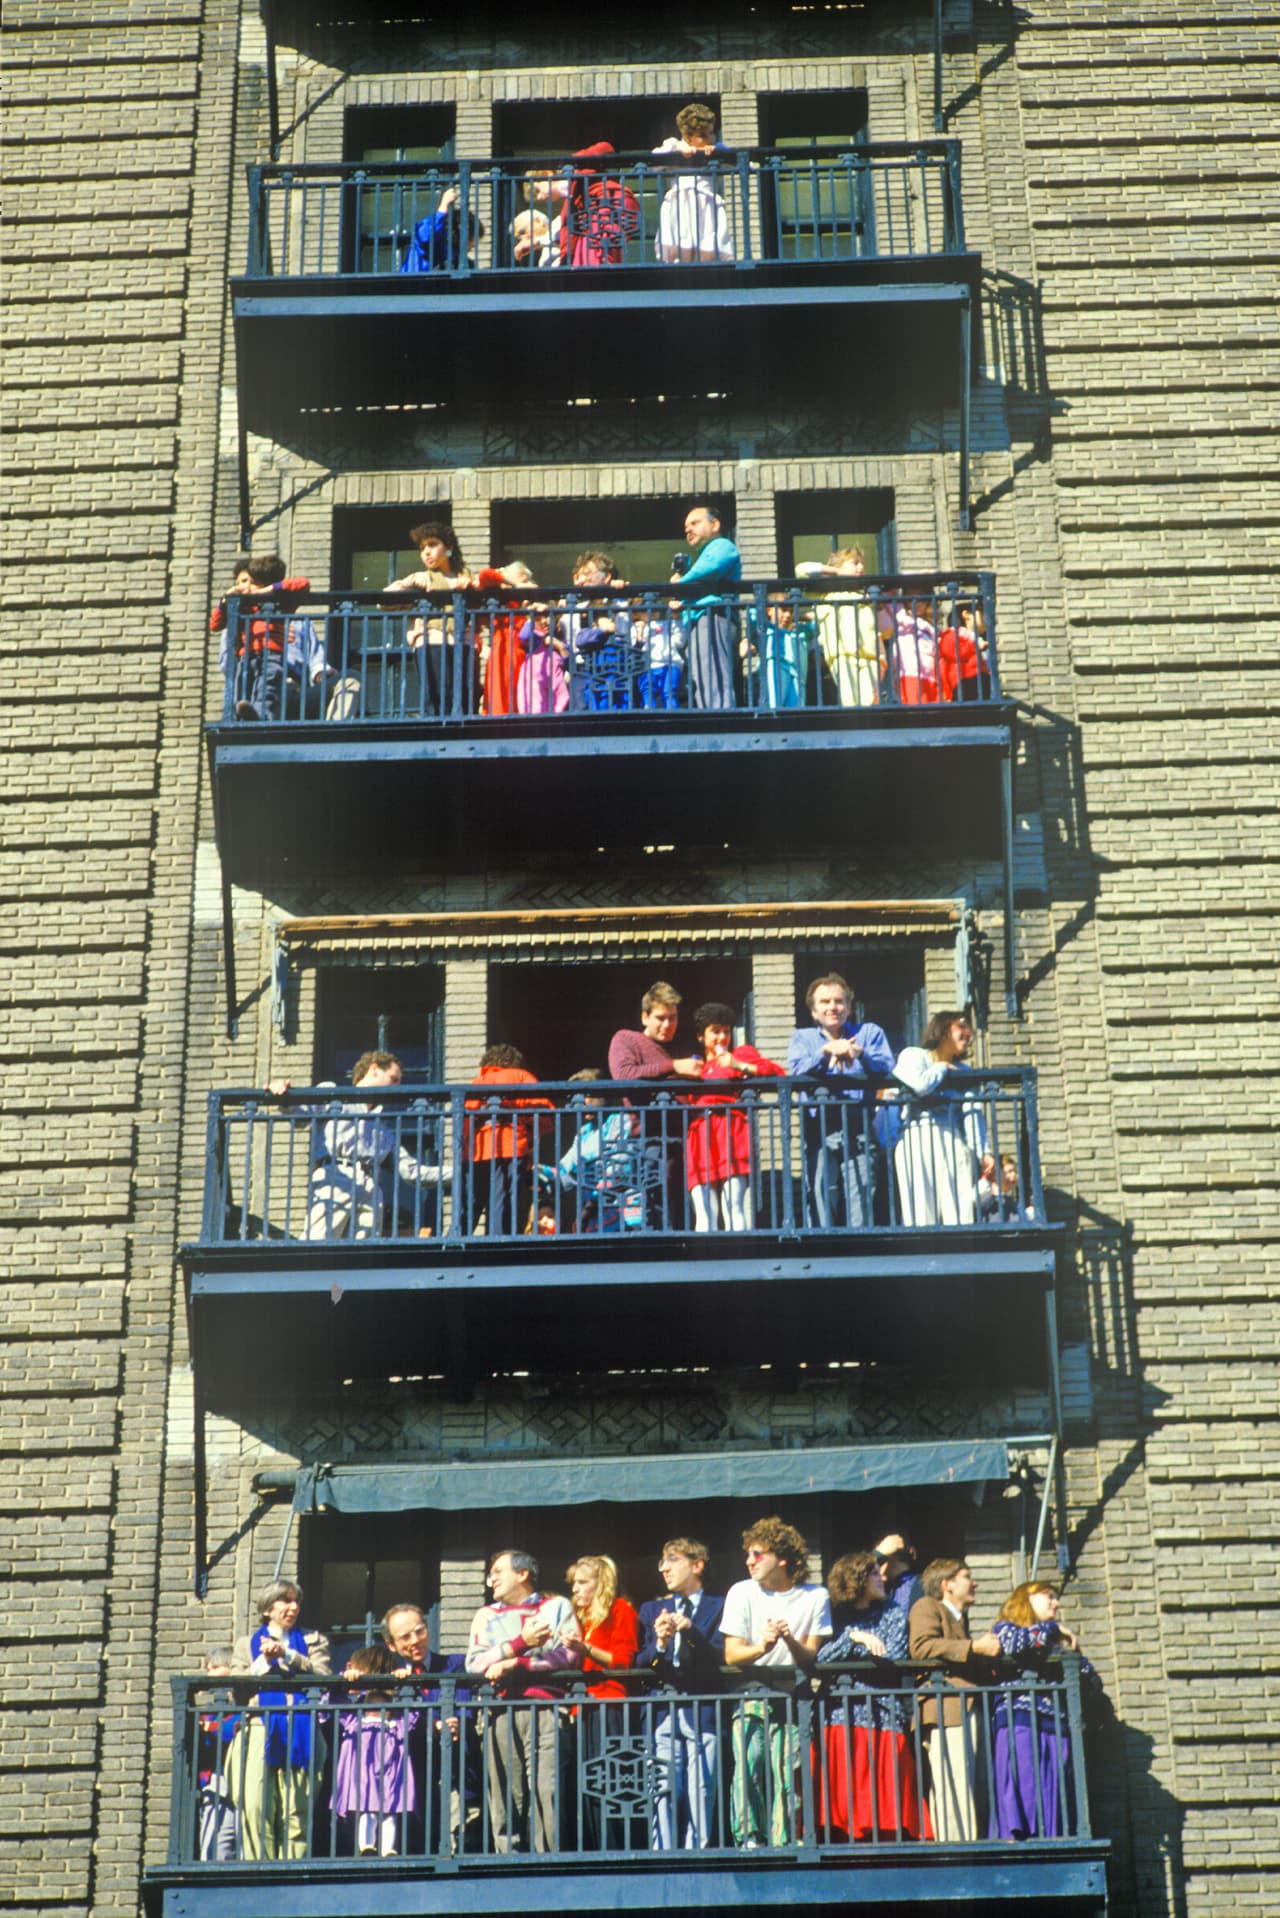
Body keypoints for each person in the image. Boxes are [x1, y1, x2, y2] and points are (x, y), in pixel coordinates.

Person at [722, 1515, 831, 1848]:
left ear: (781, 1558)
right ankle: (750, 1837)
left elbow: (810, 1654)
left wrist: (788, 1640)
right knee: (750, 1763)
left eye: (758, 1554)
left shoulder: (815, 1596)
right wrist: (763, 1647)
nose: (749, 1561)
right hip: (752, 1689)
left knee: (788, 1772)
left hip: (794, 1691)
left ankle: (785, 1838)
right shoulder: (741, 1592)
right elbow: (731, 1654)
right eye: (748, 1554)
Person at [465, 1549, 580, 1853]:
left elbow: (568, 1656)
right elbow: (475, 1664)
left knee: (547, 1787)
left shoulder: (556, 1607)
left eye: (497, 1572)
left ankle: (550, 1857)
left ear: (523, 1574)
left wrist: (516, 1663)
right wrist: (521, 1644)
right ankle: (510, 1858)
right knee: (505, 1791)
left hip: (546, 1709)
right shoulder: (486, 1615)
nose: (491, 1580)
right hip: (500, 1711)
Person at [267, 1050, 445, 1241]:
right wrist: (282, 1096)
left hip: (370, 1186)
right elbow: (300, 1113)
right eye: (393, 1079)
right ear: (374, 1069)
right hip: (336, 1175)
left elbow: (412, 1172)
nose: (397, 1087)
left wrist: (459, 1172)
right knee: (316, 1244)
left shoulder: (383, 1130)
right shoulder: (334, 1094)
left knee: (364, 1253)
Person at [815, 1551, 931, 1843]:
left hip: (882, 1711)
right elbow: (821, 1657)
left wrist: (853, 1653)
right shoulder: (835, 1614)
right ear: (857, 1578)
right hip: (839, 1714)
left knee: (886, 1798)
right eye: (874, 1573)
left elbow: (893, 1654)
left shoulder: (891, 1611)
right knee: (844, 1796)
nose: (883, 1577)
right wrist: (854, 1638)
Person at [989, 1581, 1100, 1840]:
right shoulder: (1005, 1627)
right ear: (1026, 1599)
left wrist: (1076, 1654)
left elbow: (1092, 1681)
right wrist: (1052, 1628)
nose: (1056, 1603)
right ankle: (1021, 1842)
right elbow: (1017, 1644)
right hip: (1021, 1722)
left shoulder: (1056, 1642)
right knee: (1025, 1787)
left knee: (1056, 1792)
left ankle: (1052, 1839)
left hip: (1057, 1726)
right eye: (1049, 1596)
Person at [230, 1580, 330, 1861]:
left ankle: (292, 1868)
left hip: (301, 1729)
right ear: (267, 1608)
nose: (294, 1607)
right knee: (254, 1803)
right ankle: (258, 1869)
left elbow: (323, 1675)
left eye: (296, 1601)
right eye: (286, 1601)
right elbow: (236, 1688)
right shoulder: (246, 1645)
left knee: (297, 1809)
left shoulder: (313, 1640)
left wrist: (287, 1655)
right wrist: (263, 1660)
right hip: (259, 1728)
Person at [636, 1537, 726, 1851]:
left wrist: (690, 1632)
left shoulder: (721, 1605)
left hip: (701, 1709)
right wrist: (660, 1644)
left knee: (702, 1786)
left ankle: (697, 1851)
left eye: (672, 1559)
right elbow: (639, 1662)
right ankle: (662, 1851)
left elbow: (720, 1655)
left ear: (697, 1565)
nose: (664, 1567)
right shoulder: (650, 1610)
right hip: (662, 1709)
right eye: (662, 1561)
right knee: (661, 1786)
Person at [787, 973, 895, 1230]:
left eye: (839, 1001)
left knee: (861, 1202)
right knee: (822, 1197)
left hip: (858, 1128)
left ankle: (859, 1258)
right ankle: (824, 1255)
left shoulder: (869, 1033)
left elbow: (888, 1068)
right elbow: (795, 1072)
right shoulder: (803, 1038)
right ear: (814, 1012)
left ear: (849, 1007)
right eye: (824, 1002)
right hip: (818, 1132)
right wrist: (825, 1052)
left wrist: (860, 1053)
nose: (832, 1007)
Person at [908, 1558, 1002, 1843]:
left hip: (964, 1706)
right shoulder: (927, 1606)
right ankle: (957, 1847)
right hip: (946, 1709)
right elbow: (921, 1646)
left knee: (968, 1783)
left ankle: (967, 1842)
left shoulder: (960, 1619)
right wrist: (974, 1647)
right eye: (967, 1577)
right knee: (954, 1782)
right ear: (947, 1584)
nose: (975, 1583)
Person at [607, 981, 702, 1230]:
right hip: (651, 1142)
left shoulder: (679, 1049)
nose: (667, 1025)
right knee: (657, 1211)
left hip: (687, 1141)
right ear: (644, 1017)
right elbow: (624, 1075)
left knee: (685, 1213)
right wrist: (674, 1067)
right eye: (660, 1018)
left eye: (673, 1018)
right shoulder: (626, 1039)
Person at [562, 1555, 640, 1849]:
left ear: (601, 1583)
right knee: (583, 1779)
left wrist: (585, 1648)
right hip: (582, 1706)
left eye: (583, 1583)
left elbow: (622, 1662)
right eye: (574, 1584)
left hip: (609, 1703)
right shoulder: (582, 1619)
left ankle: (613, 1845)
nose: (576, 1590)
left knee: (607, 1776)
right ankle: (590, 1843)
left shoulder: (621, 1610)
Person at [684, 1001, 784, 1232]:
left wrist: (739, 1065)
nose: (722, 1037)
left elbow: (776, 1073)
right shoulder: (694, 1065)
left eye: (726, 1031)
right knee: (704, 1211)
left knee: (734, 1205)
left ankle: (738, 1254)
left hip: (732, 1131)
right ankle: (705, 1263)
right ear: (701, 1036)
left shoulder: (741, 1054)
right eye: (715, 1031)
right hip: (700, 1135)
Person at [382, 1603, 473, 1854]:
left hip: (454, 1765)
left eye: (420, 1631)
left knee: (456, 1839)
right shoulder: (394, 1678)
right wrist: (431, 1723)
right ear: (392, 1645)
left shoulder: (454, 1664)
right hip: (411, 1770)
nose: (415, 1640)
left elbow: (464, 1708)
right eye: (405, 1637)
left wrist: (456, 1720)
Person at [893, 1011, 987, 1227]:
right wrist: (941, 1068)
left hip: (953, 1137)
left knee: (959, 1213)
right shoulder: (913, 1056)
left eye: (968, 1028)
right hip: (918, 1134)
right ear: (943, 1030)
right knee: (920, 1213)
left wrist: (983, 1152)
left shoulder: (965, 1071)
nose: (968, 1033)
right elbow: (919, 1085)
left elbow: (972, 1113)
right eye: (961, 1027)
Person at [332, 1642, 417, 1857]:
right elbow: (335, 1700)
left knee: (390, 1808)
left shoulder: (396, 1716)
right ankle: (367, 1846)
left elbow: (414, 1711)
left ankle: (389, 1849)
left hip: (391, 1763)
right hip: (363, 1766)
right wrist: (346, 1678)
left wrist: (405, 1682)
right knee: (366, 1807)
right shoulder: (356, 1715)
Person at [384, 521, 476, 718]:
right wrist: (408, 583)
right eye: (422, 548)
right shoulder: (421, 578)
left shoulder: (466, 577)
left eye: (432, 545)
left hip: (464, 643)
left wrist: (472, 589)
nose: (426, 552)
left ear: (449, 548)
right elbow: (383, 601)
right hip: (432, 641)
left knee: (467, 698)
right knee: (438, 696)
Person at [210, 553, 311, 721]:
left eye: (249, 581)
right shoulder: (242, 605)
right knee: (243, 689)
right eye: (240, 583)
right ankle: (245, 719)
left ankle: (262, 718)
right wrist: (226, 600)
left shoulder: (278, 601)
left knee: (267, 689)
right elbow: (215, 625)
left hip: (272, 654)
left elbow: (302, 584)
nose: (245, 587)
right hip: (246, 655)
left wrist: (268, 590)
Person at [465, 1045, 550, 1237]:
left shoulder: (477, 1082)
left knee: (472, 1201)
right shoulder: (520, 1076)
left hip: (477, 1149)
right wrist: (528, 1133)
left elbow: (465, 1120)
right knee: (502, 1199)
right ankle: (499, 1243)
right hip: (509, 1145)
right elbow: (543, 1116)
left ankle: (457, 1244)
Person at [540, 1068, 637, 1234]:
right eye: (575, 1098)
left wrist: (588, 1209)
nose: (581, 1102)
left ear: (601, 1094)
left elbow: (620, 1170)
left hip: (625, 1217)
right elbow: (566, 1169)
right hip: (595, 1221)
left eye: (585, 1096)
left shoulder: (621, 1121)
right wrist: (541, 1175)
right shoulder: (584, 1133)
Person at [669, 505, 742, 711]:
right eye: (685, 527)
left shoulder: (722, 545)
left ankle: (721, 720)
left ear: (715, 524)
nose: (688, 530)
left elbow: (711, 567)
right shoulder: (703, 555)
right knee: (702, 676)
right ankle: (711, 715)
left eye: (694, 523)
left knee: (713, 675)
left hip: (713, 617)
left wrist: (680, 584)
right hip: (701, 619)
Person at [796, 548, 885, 709]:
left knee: (871, 701)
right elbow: (802, 570)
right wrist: (837, 572)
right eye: (855, 563)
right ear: (840, 565)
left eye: (862, 564)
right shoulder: (827, 594)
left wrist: (883, 659)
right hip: (842, 655)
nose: (861, 567)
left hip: (871, 656)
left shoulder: (863, 595)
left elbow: (878, 630)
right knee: (850, 700)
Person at [524, 145, 640, 267]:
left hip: (609, 203)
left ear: (546, 174)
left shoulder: (576, 170)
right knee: (587, 252)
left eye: (537, 191)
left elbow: (606, 147)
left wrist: (572, 162)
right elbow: (566, 240)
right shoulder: (569, 205)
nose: (540, 198)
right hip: (609, 211)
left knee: (594, 255)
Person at [652, 102, 735, 263]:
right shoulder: (675, 145)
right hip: (681, 203)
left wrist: (717, 153)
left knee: (707, 246)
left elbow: (741, 162)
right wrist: (677, 149)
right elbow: (654, 162)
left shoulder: (716, 148)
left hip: (707, 203)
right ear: (688, 136)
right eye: (703, 136)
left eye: (712, 133)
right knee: (681, 244)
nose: (710, 138)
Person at [474, 559, 537, 715]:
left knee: (521, 695)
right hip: (501, 650)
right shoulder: (503, 597)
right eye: (522, 578)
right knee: (498, 694)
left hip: (521, 653)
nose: (525, 582)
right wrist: (510, 582)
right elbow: (484, 575)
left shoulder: (525, 600)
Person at [196, 1648, 240, 1861]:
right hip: (216, 1783)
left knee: (243, 1847)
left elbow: (232, 1731)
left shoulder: (243, 1704)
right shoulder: (209, 1709)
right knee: (216, 1847)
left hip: (240, 1780)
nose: (209, 1673)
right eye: (208, 1668)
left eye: (215, 1667)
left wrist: (209, 1728)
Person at [744, 591, 814, 711]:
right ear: (769, 610)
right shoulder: (766, 629)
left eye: (791, 611)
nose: (787, 615)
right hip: (775, 668)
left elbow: (817, 624)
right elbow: (753, 616)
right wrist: (763, 602)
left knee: (796, 714)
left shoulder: (800, 633)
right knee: (773, 707)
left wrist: (801, 616)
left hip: (798, 676)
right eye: (783, 609)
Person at [399, 183, 472, 272]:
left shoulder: (455, 256)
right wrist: (443, 207)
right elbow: (423, 235)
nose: (473, 245)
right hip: (413, 282)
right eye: (473, 239)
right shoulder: (440, 240)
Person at [936, 600, 991, 704]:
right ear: (966, 615)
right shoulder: (954, 633)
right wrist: (974, 647)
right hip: (964, 679)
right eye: (982, 613)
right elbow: (951, 652)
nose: (985, 618)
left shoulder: (975, 638)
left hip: (979, 678)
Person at [889, 597, 940, 706]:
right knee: (913, 710)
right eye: (910, 598)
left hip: (931, 676)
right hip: (909, 672)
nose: (916, 602)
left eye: (921, 597)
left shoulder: (932, 627)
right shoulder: (901, 615)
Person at [873, 1532, 922, 1618]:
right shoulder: (875, 1589)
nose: (877, 1567)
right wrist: (878, 1554)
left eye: (881, 1560)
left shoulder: (923, 1585)